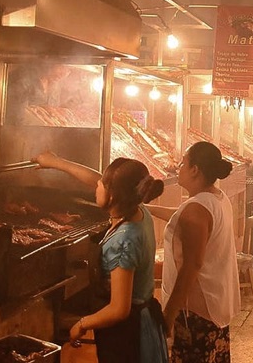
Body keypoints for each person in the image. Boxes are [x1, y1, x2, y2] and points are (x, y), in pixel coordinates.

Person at [32, 152, 167, 363]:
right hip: (143, 320)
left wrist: (82, 324)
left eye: (101, 185)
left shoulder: (123, 241)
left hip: (128, 333)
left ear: (112, 195)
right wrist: (56, 162)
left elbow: (119, 309)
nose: (96, 186)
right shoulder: (137, 210)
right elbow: (95, 178)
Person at [147, 141, 241, 363]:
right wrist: (147, 208)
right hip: (214, 305)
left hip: (195, 312)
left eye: (183, 163)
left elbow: (192, 265)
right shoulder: (215, 198)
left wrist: (169, 314)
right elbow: (182, 214)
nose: (179, 168)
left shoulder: (196, 210)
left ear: (195, 170)